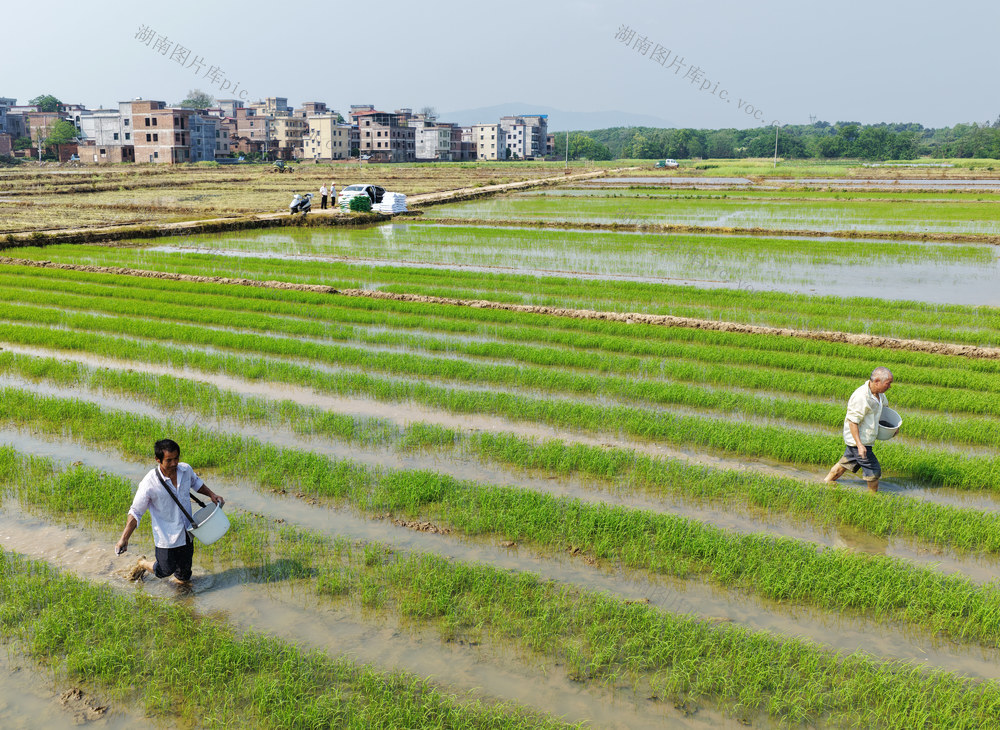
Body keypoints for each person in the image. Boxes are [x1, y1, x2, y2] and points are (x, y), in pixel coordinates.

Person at [115, 439, 224, 584]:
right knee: (164, 570)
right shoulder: (149, 483)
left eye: (176, 458)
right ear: (158, 460)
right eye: (169, 460)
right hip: (166, 537)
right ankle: (143, 563)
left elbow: (196, 483)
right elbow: (136, 512)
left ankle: (184, 601)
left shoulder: (185, 470)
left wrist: (211, 494)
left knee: (185, 575)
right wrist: (124, 538)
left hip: (187, 532)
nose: (174, 463)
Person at [824, 367, 895, 493]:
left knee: (845, 463)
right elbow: (853, 422)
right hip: (860, 441)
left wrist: (893, 428)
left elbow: (884, 410)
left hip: (864, 439)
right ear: (877, 381)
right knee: (873, 471)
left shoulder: (880, 395)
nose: (890, 386)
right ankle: (872, 499)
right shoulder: (861, 397)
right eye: (888, 383)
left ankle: (826, 483)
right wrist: (860, 445)